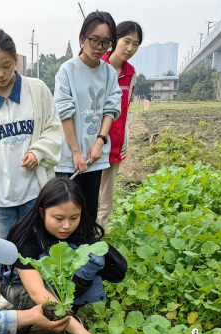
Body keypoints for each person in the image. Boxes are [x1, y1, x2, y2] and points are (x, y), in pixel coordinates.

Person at [0, 29, 63, 276]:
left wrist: (38, 152)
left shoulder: (37, 90)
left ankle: (35, 288)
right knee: (4, 244)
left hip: (33, 187)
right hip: (0, 191)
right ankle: (7, 286)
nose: (0, 74)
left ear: (15, 60)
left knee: (34, 240)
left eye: (6, 65)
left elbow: (54, 127)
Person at [0, 178, 126, 334]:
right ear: (42, 212)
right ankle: (14, 333)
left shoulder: (77, 229)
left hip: (51, 279)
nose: (67, 225)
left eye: (74, 217)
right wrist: (80, 332)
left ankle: (66, 313)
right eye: (58, 218)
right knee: (29, 296)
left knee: (90, 264)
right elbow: (37, 292)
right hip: (16, 282)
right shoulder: (28, 239)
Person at [54, 11, 122, 223]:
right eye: (94, 40)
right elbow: (65, 112)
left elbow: (110, 109)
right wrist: (76, 152)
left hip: (95, 155)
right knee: (67, 211)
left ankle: (89, 252)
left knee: (90, 210)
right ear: (82, 38)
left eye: (106, 42)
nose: (99, 47)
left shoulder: (109, 72)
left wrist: (100, 142)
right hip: (70, 157)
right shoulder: (68, 70)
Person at [97, 21, 143, 227]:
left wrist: (124, 137)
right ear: (115, 40)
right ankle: (82, 230)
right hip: (93, 140)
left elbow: (126, 108)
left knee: (107, 190)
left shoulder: (130, 74)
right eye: (127, 41)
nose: (130, 49)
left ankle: (100, 232)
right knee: (88, 188)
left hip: (117, 140)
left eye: (136, 44)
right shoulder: (97, 67)